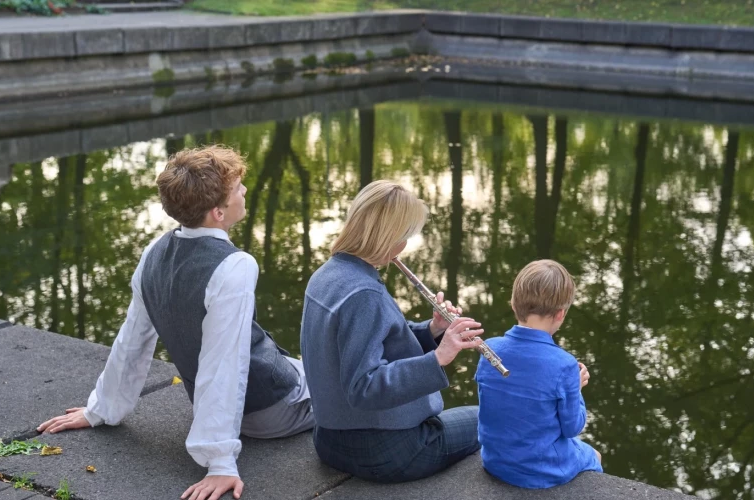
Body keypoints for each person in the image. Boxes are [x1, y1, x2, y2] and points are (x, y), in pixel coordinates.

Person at [36, 146, 313, 500]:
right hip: (271, 410)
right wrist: (220, 462)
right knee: (353, 383)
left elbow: (132, 338)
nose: (244, 192)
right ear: (218, 212)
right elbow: (223, 363)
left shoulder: (154, 252)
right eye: (237, 190)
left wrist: (102, 409)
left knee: (305, 365)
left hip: (230, 404)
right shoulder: (236, 266)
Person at [300, 180, 483, 483]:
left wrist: (433, 329)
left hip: (331, 439)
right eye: (404, 236)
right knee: (493, 416)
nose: (405, 245)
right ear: (387, 237)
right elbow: (364, 386)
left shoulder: (327, 275)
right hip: (386, 450)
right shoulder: (363, 293)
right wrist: (438, 357)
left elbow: (374, 341)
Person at [475, 259, 603, 489]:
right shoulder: (564, 365)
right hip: (538, 471)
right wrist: (576, 389)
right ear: (560, 314)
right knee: (594, 454)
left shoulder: (489, 348)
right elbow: (572, 427)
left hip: (494, 460)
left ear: (514, 304)